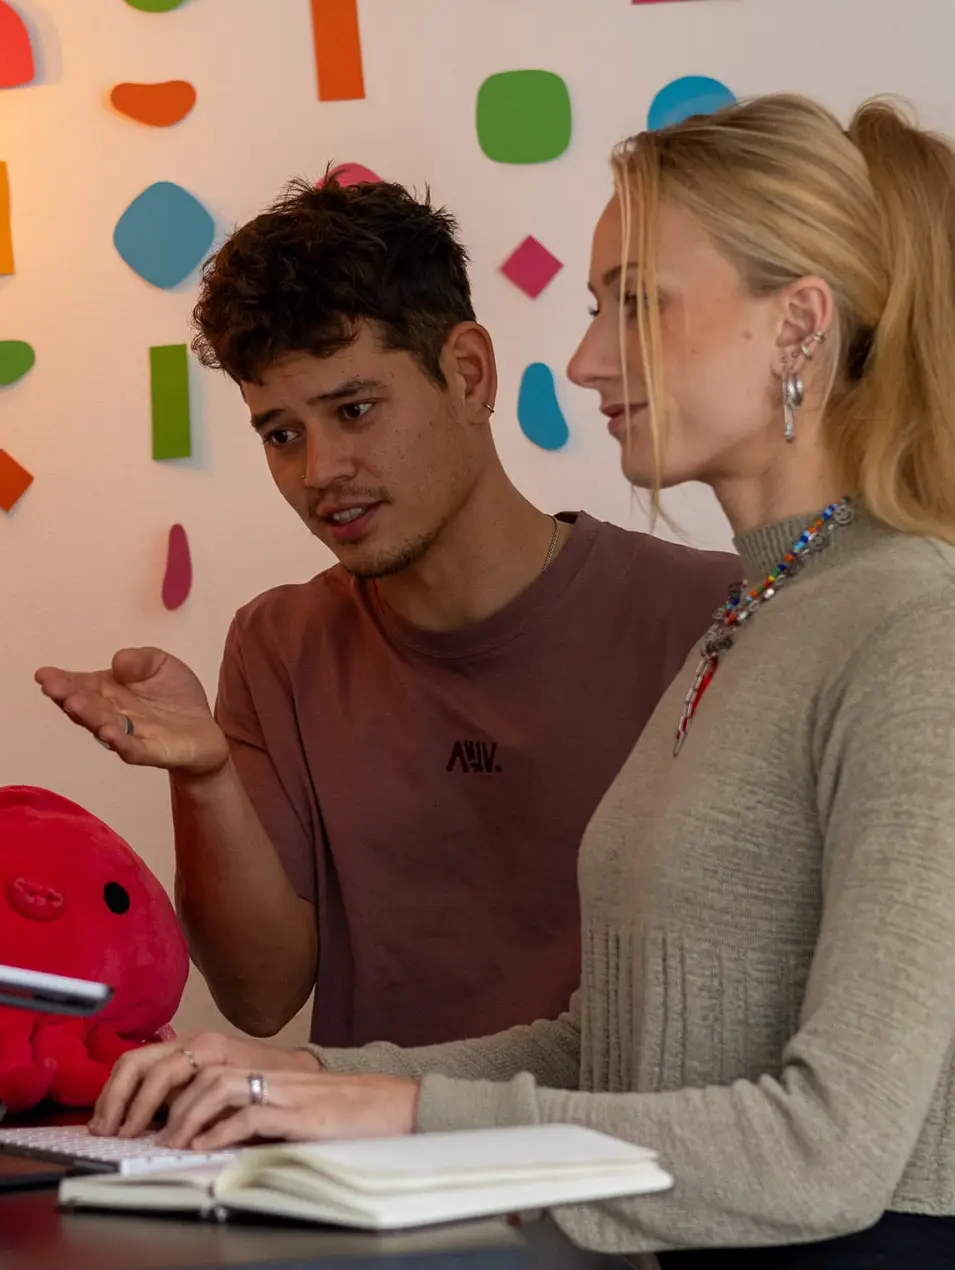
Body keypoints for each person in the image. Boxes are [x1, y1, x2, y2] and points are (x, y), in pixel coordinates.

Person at [87, 95, 955, 1270]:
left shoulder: (916, 619)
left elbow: (834, 1145)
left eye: (635, 303)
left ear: (798, 324)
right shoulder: (759, 609)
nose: (589, 356)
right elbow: (625, 1040)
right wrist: (314, 1077)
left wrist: (403, 1117)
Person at [36, 178, 733, 1051]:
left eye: (354, 410)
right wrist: (204, 778)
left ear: (468, 375)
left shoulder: (714, 616)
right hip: (372, 1175)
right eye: (280, 433)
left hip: (640, 1171)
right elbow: (259, 997)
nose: (320, 469)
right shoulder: (276, 645)